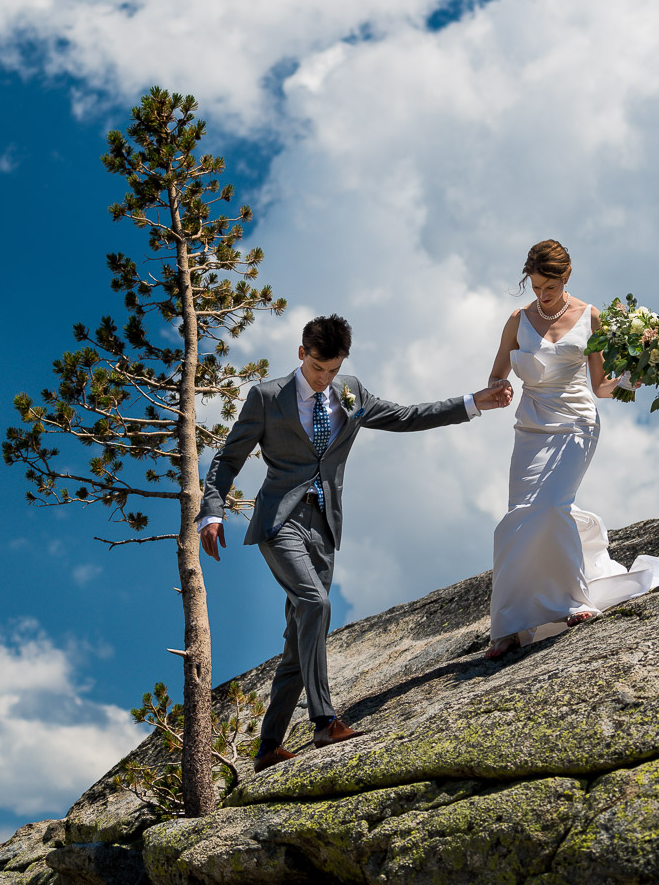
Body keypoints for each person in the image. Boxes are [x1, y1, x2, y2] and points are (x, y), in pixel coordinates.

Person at [199, 314, 513, 772]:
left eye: (332, 370)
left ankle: (267, 749)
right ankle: (324, 720)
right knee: (316, 604)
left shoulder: (351, 392)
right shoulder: (266, 397)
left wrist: (473, 402)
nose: (324, 380)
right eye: (316, 370)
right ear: (301, 353)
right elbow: (228, 458)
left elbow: (405, 417)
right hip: (279, 521)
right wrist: (213, 509)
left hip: (324, 525)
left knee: (299, 637)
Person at [483, 240, 659, 660]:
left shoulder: (591, 317)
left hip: (576, 425)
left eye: (550, 287)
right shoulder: (517, 321)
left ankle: (573, 601)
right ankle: (509, 626)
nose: (542, 295)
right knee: (519, 516)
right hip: (531, 428)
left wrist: (636, 376)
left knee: (552, 506)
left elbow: (600, 386)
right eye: (536, 287)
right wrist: (499, 389)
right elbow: (498, 373)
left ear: (567, 277)